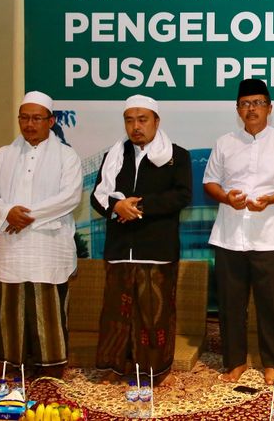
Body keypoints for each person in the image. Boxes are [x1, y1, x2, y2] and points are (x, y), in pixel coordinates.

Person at [203, 78, 274, 385]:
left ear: (269, 108)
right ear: (237, 109)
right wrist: (225, 198)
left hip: (269, 236)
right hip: (229, 235)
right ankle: (234, 361)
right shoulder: (224, 143)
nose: (252, 109)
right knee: (230, 303)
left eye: (258, 103)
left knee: (271, 303)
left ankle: (273, 364)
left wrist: (272, 198)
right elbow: (210, 182)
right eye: (246, 104)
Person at [0, 91, 82, 379]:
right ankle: (9, 364)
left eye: (36, 118)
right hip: (13, 245)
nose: (29, 124)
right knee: (10, 307)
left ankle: (53, 366)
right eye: (24, 117)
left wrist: (24, 217)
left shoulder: (67, 156)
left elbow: (70, 197)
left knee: (47, 305)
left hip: (49, 246)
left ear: (50, 121)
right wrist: (6, 211)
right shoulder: (3, 155)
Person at [90, 95, 192, 386]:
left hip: (156, 249)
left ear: (156, 121)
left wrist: (138, 207)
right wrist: (115, 207)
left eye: (142, 119)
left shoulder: (177, 155)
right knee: (116, 313)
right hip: (120, 248)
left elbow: (182, 195)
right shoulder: (114, 156)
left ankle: (154, 371)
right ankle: (117, 367)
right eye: (129, 120)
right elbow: (98, 196)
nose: (136, 126)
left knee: (154, 314)